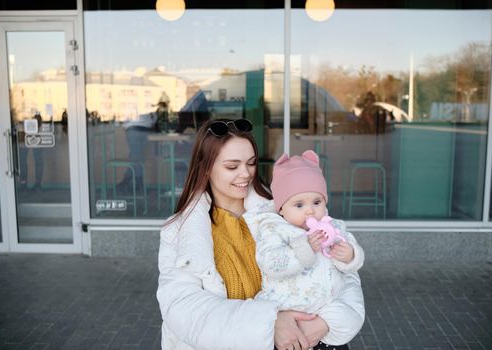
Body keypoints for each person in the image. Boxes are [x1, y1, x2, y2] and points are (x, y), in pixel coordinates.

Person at [156, 119, 365, 350]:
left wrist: (326, 322)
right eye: (232, 166)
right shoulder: (181, 230)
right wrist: (270, 323)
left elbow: (343, 274)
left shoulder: (288, 208)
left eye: (251, 163)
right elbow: (184, 310)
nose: (245, 174)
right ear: (206, 168)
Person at [244, 150, 365, 349]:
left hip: (325, 310)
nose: (310, 211)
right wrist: (304, 249)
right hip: (287, 309)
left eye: (316, 202)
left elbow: (353, 261)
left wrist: (349, 255)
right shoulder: (274, 229)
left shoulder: (333, 226)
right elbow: (271, 263)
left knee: (350, 319)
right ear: (281, 208)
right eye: (299, 204)